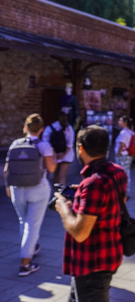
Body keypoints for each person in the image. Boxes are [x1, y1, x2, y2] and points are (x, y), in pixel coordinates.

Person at [54, 126, 127, 302]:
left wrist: (63, 208)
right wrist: (81, 194)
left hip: (92, 263)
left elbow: (80, 233)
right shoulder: (117, 172)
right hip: (109, 253)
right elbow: (112, 202)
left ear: (81, 148)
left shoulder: (93, 183)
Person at [4, 113, 56, 276]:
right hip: (38, 188)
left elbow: (6, 169)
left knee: (23, 220)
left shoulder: (15, 144)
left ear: (25, 127)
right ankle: (25, 263)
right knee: (32, 225)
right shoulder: (44, 145)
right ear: (40, 130)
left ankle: (31, 247)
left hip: (16, 187)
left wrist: (8, 187)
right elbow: (52, 168)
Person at [42, 112, 75, 185]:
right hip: (67, 155)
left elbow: (46, 142)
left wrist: (54, 153)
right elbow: (70, 143)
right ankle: (62, 193)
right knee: (62, 176)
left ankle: (56, 193)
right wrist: (64, 154)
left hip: (55, 154)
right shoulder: (69, 128)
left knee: (56, 175)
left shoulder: (50, 128)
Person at [114, 116, 133, 197]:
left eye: (120, 120)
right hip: (127, 155)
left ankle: (123, 192)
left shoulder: (123, 133)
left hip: (122, 156)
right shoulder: (130, 132)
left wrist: (118, 155)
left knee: (122, 174)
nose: (119, 122)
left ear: (125, 123)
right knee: (126, 173)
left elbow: (122, 145)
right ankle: (125, 191)